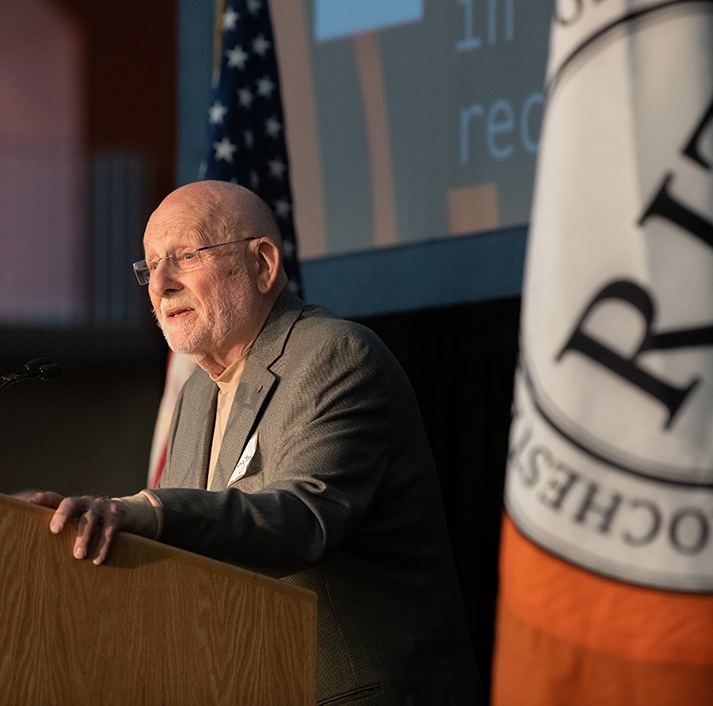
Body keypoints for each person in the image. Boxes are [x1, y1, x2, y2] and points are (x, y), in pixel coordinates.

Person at [28, 180, 485, 704]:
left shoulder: (336, 356)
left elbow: (301, 519)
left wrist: (145, 511)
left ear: (262, 264)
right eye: (150, 266)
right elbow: (189, 554)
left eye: (183, 256)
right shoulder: (197, 394)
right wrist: (64, 537)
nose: (161, 284)